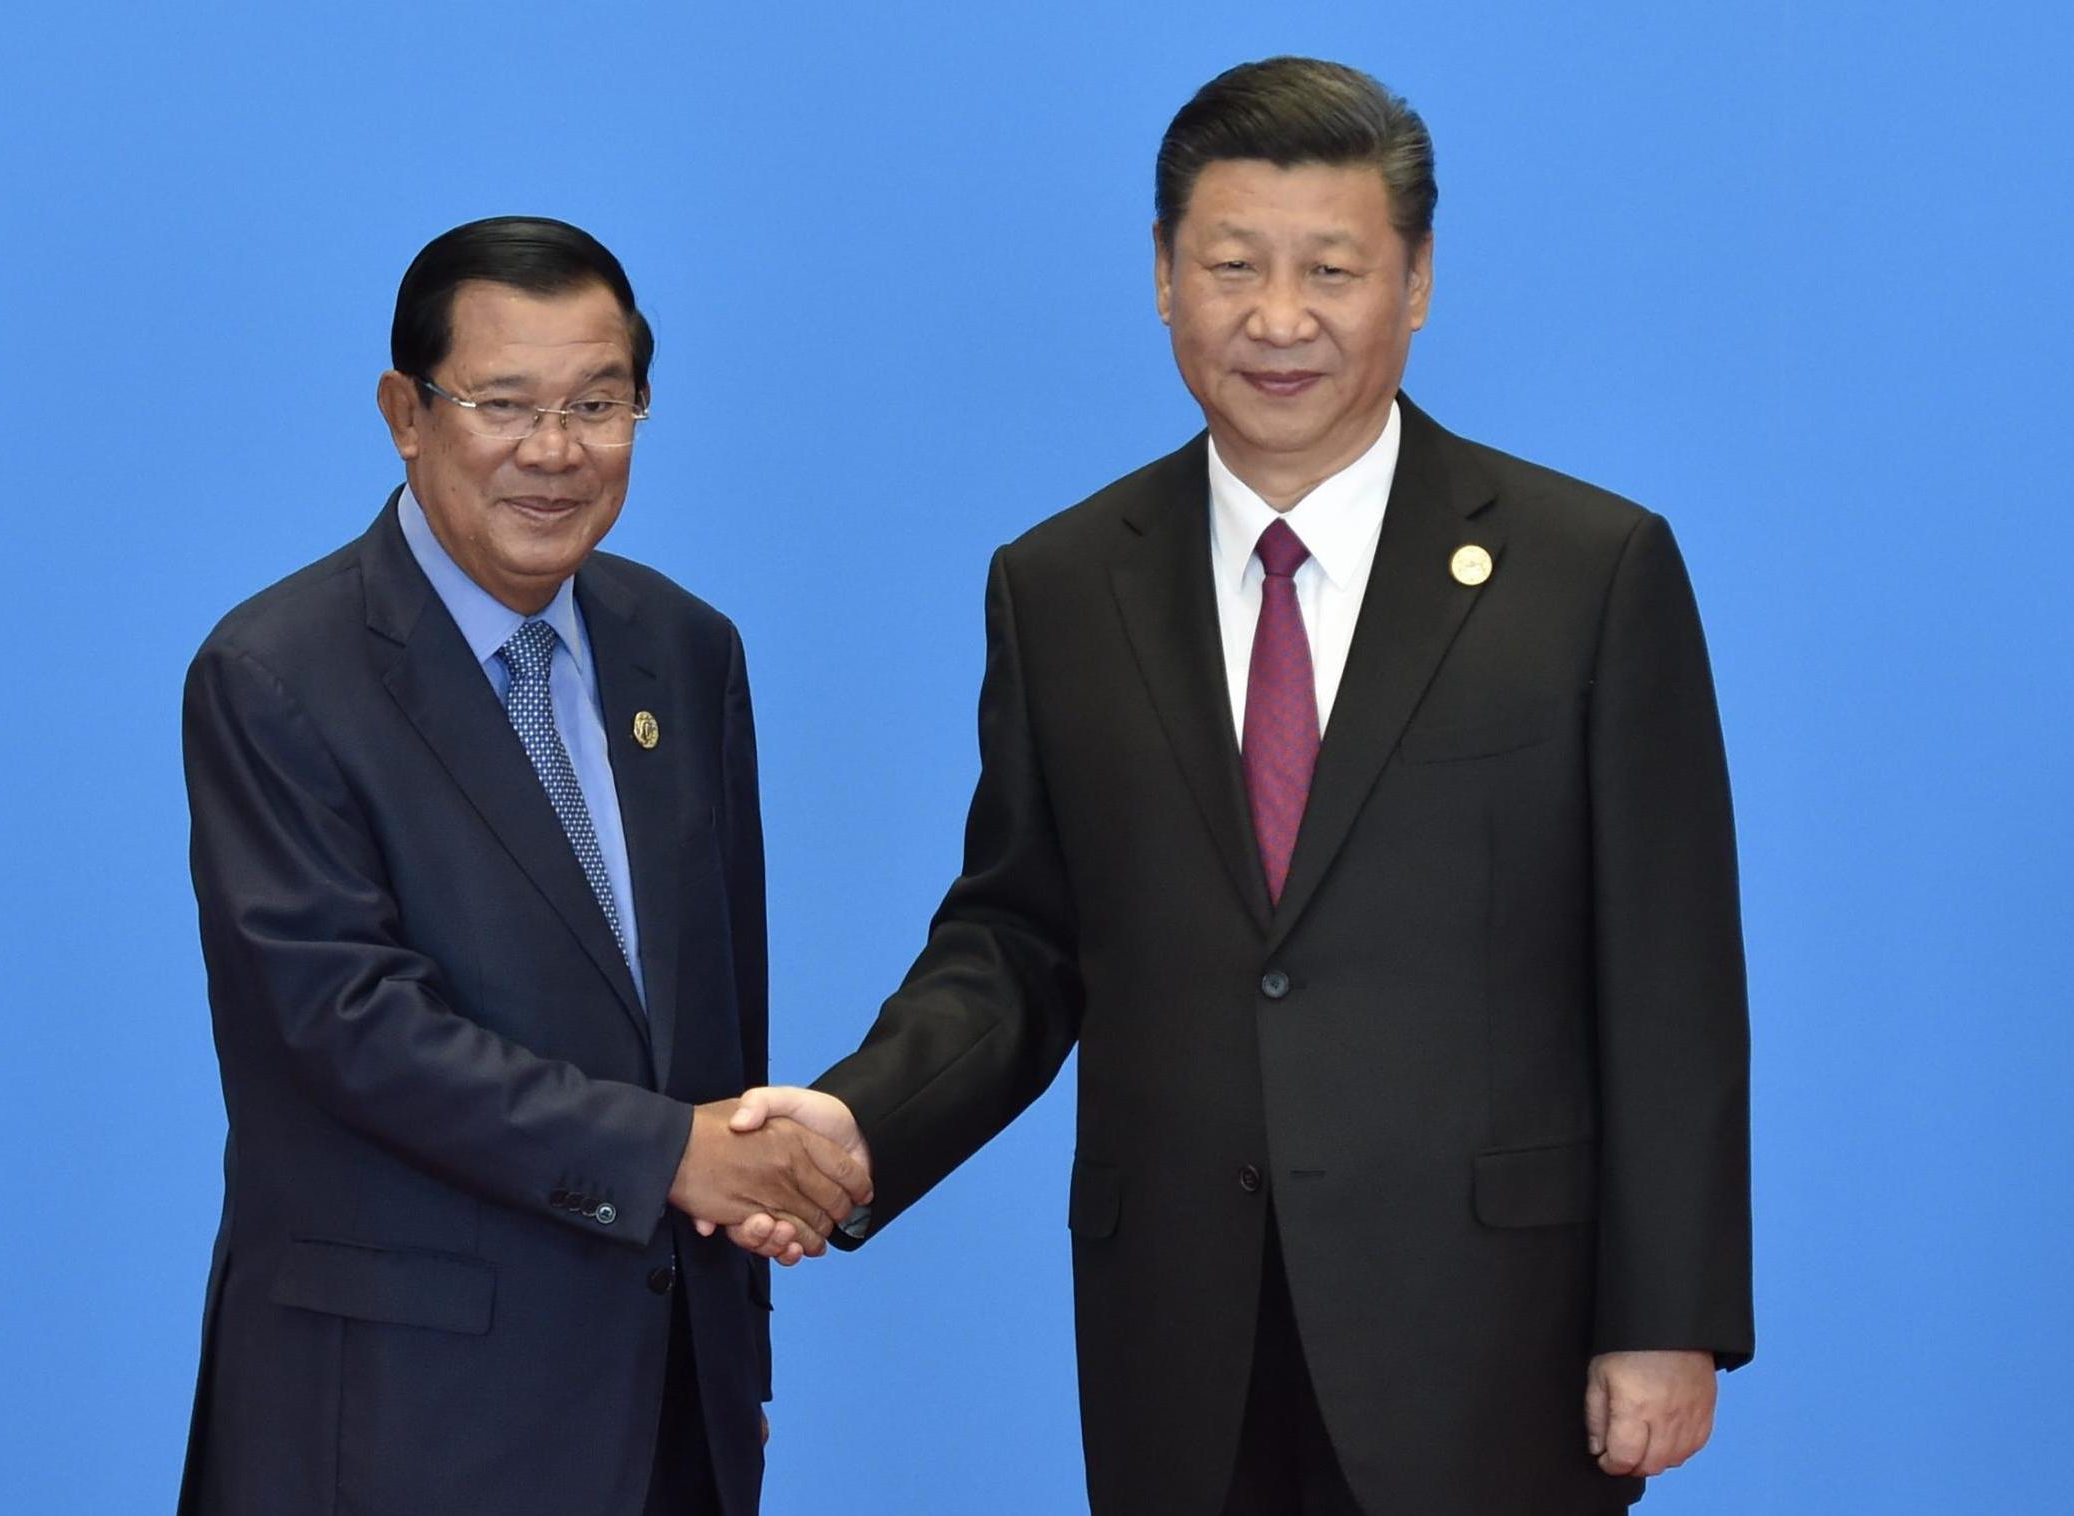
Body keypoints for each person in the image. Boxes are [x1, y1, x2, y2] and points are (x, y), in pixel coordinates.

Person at [732, 58, 1753, 1516]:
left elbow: (1669, 975)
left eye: (1332, 268)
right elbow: (1018, 939)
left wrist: (1667, 1314)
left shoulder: (1586, 572)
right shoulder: (1065, 581)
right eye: (1231, 267)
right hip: (1181, 1331)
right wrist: (859, 1122)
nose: (1280, 320)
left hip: (1489, 1333)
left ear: (1415, 282)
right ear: (1163, 279)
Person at [175, 215, 870, 1516]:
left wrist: (739, 1362)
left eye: (598, 404)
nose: (556, 452)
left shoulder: (686, 649)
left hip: (667, 1411)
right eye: (506, 404)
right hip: (397, 1419)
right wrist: (671, 1153)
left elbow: (715, 1021)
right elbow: (348, 1027)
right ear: (406, 411)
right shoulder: (276, 677)